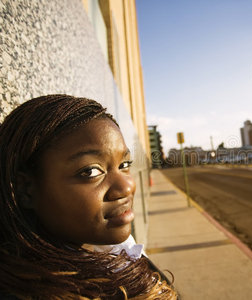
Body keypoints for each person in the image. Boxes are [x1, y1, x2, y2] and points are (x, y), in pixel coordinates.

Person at [0, 94, 178, 299]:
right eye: (90, 172)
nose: (126, 186)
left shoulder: (113, 249)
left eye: (124, 165)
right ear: (26, 189)